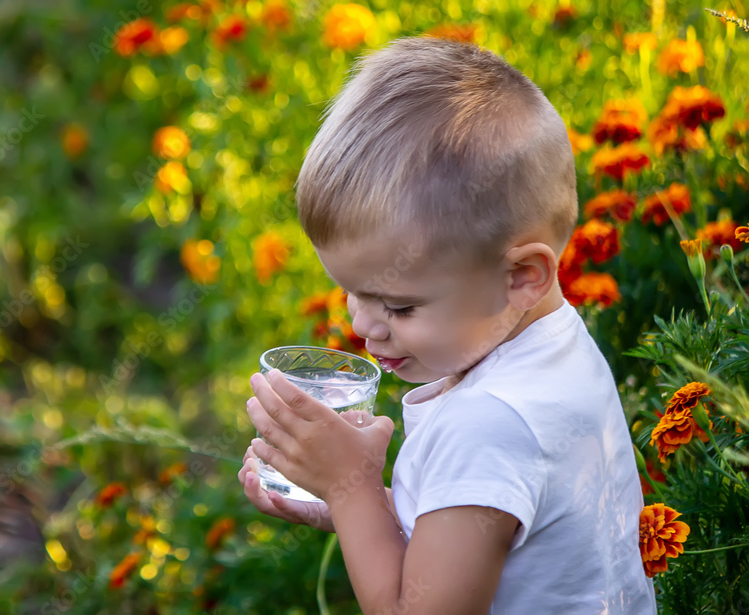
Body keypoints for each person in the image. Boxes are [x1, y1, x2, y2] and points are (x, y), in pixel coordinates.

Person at [239, 37, 656, 614]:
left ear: (522, 277)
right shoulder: (550, 347)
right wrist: (364, 509)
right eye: (352, 293)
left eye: (400, 307)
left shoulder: (489, 424)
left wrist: (350, 485)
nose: (364, 327)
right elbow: (477, 526)